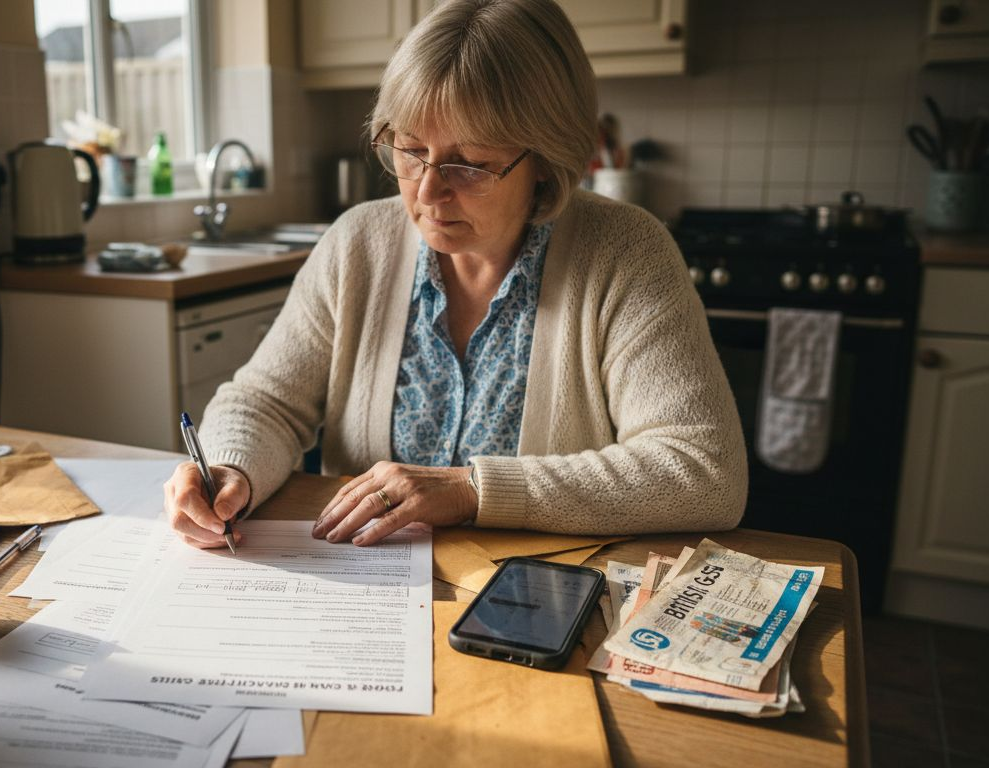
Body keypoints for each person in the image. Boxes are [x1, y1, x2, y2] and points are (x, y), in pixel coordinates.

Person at [164, 0, 746, 549]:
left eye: (468, 164)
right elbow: (266, 401)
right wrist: (230, 466)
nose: (427, 192)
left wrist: (472, 490)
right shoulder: (357, 244)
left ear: (545, 162)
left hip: (537, 592)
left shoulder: (626, 252)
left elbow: (704, 471)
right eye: (410, 150)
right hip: (368, 591)